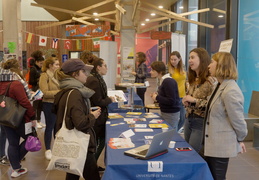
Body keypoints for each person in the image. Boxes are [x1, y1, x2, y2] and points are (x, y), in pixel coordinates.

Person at [53, 59, 101, 180]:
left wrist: (86, 112)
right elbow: (80, 123)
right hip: (80, 145)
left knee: (72, 174)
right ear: (75, 74)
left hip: (74, 144)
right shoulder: (75, 93)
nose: (87, 75)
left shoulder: (67, 90)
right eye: (83, 71)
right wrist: (92, 116)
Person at [204, 52, 247, 180]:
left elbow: (238, 120)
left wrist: (240, 139)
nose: (209, 66)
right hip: (211, 143)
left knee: (218, 177)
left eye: (212, 62)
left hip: (220, 145)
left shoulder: (231, 90)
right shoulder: (219, 85)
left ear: (221, 65)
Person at [0, 59, 36, 178]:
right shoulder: (16, 83)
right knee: (31, 138)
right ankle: (15, 162)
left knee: (12, 143)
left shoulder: (1, 82)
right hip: (20, 118)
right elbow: (25, 102)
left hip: (5, 117)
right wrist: (33, 116)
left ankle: (16, 168)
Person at [182, 48, 216, 153]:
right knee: (187, 151)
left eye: (192, 57)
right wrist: (186, 101)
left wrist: (194, 100)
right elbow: (190, 99)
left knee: (193, 153)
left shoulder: (211, 81)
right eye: (189, 58)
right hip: (188, 120)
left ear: (202, 59)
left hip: (200, 122)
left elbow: (213, 105)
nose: (189, 61)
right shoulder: (191, 80)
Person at [85, 58, 115, 171]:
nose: (107, 68)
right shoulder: (94, 80)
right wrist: (110, 100)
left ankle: (93, 165)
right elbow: (98, 101)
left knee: (99, 140)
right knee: (100, 141)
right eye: (105, 66)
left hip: (99, 115)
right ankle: (91, 165)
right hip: (97, 116)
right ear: (98, 67)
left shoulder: (97, 79)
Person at [39, 57, 60, 160]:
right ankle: (48, 149)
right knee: (49, 127)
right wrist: (59, 93)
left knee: (58, 127)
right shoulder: (44, 76)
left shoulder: (57, 75)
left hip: (57, 104)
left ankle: (57, 149)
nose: (58, 66)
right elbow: (45, 92)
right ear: (50, 66)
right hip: (49, 104)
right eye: (56, 64)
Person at [150, 61, 180, 130]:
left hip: (170, 113)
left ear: (159, 72)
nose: (150, 72)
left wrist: (157, 97)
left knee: (170, 135)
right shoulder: (163, 80)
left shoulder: (168, 81)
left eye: (153, 70)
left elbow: (171, 100)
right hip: (166, 112)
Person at [168, 51, 187, 132]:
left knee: (183, 118)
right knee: (173, 118)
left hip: (183, 95)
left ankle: (174, 132)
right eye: (171, 59)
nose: (173, 61)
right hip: (173, 96)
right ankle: (172, 133)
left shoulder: (183, 67)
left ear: (179, 59)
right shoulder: (168, 69)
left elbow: (185, 80)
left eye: (175, 59)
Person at [29, 56, 45, 129]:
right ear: (37, 62)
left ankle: (39, 120)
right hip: (35, 89)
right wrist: (38, 79)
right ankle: (35, 121)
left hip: (40, 89)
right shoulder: (33, 69)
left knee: (40, 106)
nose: (41, 65)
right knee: (35, 105)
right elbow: (31, 81)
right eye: (40, 63)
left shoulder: (40, 69)